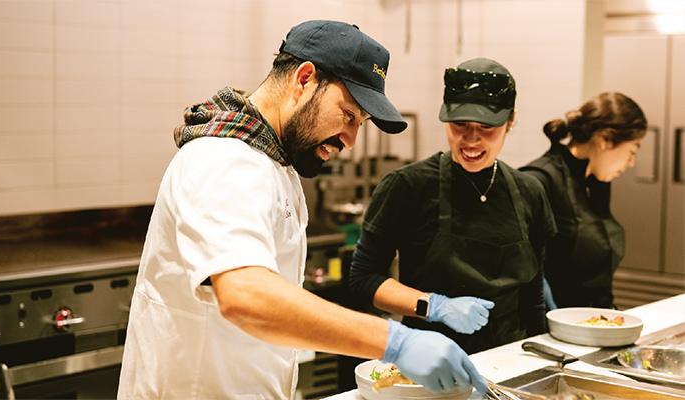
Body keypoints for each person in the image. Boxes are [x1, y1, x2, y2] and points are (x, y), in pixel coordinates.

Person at [117, 20, 488, 399]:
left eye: (361, 124)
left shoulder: (276, 164)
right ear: (304, 78)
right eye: (348, 115)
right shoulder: (223, 159)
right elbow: (245, 295)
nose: (351, 140)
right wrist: (394, 341)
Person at [348, 58, 557, 355]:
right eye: (460, 124)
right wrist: (434, 306)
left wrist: (542, 365)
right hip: (430, 358)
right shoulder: (407, 186)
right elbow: (364, 279)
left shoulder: (530, 192)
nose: (471, 139)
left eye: (487, 126)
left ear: (511, 121)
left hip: (511, 357)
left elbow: (532, 297)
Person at [520, 92, 647, 310]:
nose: (631, 163)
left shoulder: (595, 181)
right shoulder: (539, 180)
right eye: (631, 151)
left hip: (595, 322)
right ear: (605, 140)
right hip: (554, 329)